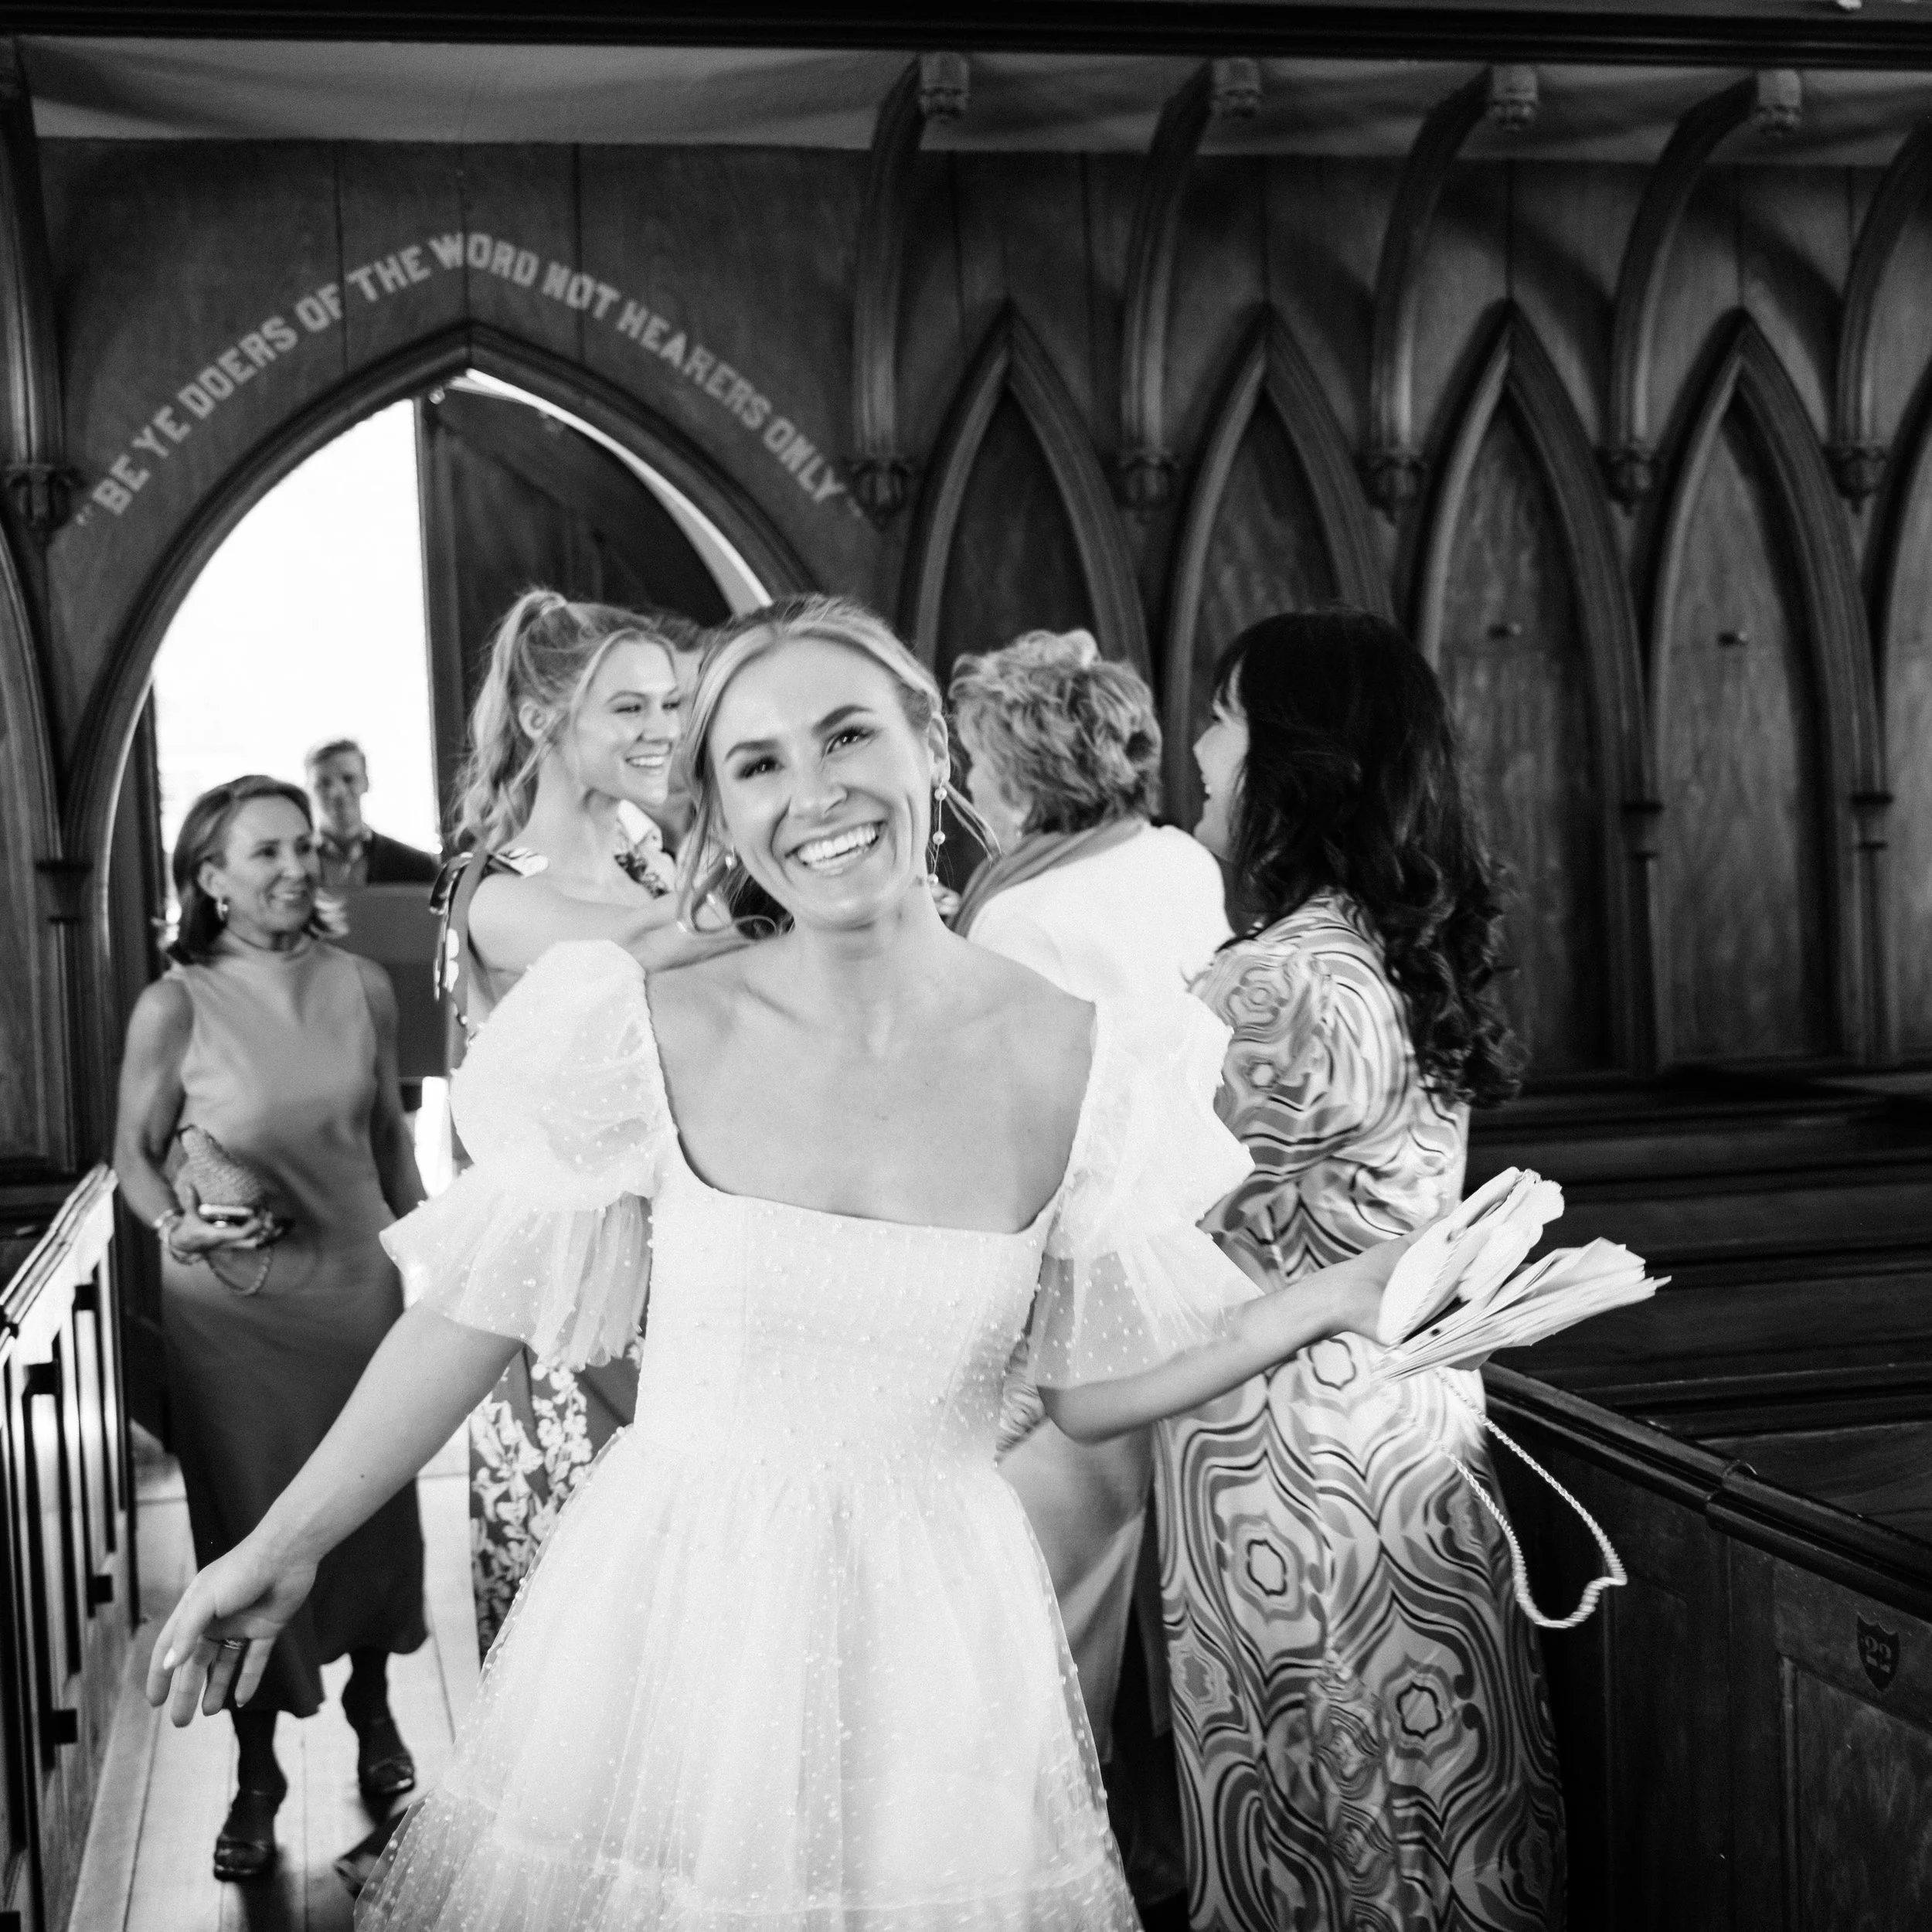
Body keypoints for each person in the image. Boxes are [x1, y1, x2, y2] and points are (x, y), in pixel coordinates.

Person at [145, 594, 1429, 1930]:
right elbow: (476, 1309)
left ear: (930, 747)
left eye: (847, 736)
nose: (814, 794)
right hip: (681, 1608)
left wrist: (1334, 1300)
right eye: (757, 764)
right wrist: (284, 1545)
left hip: (942, 1635)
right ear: (716, 807)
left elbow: (1090, 1389)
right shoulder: (641, 1025)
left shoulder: (1092, 1057)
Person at [1168, 607, 1563, 1930]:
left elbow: (1131, 1212)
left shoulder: (1284, 984)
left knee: (1333, 1814)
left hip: (1292, 1458)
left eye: (1222, 718)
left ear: (1290, 757)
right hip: (1406, 1425)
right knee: (1430, 1798)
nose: (1199, 751)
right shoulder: (1385, 947)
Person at [949, 627, 1228, 1904]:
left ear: (1008, 772)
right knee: (1153, 1613)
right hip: (1198, 1284)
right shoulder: (1180, 860)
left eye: (968, 757)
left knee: (1045, 1635)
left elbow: (1001, 1135)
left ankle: (1047, 1887)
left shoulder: (1017, 909)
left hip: (1071, 1291)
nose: (960, 783)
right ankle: (1161, 1866)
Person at [113, 774, 428, 1883]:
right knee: (246, 1533)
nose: (297, 865)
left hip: (358, 1296)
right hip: (233, 1323)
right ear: (209, 879)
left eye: (303, 846)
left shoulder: (360, 984)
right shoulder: (176, 1005)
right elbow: (135, 1161)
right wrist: (176, 1233)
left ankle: (378, 1717)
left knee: (373, 1520)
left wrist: (440, 1263)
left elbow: (389, 1138)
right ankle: (257, 1771)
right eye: (265, 852)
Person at [434, 589, 723, 1653]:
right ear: (545, 721)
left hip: (691, 1268)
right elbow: (648, 945)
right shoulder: (493, 890)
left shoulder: (651, 856)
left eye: (674, 707)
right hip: (570, 1298)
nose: (664, 733)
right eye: (631, 710)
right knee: (590, 1626)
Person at [306, 739, 440, 888]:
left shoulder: (418, 867)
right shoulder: (295, 865)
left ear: (366, 782)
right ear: (308, 790)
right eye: (324, 783)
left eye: (348, 779)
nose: (337, 791)